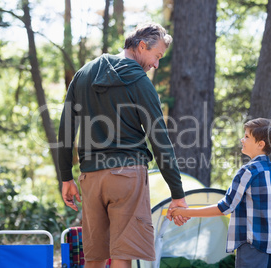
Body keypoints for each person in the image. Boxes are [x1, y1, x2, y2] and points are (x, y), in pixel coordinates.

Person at [57, 22, 188, 268]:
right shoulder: (140, 81)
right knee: (122, 255)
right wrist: (177, 194)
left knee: (94, 257)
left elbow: (65, 131)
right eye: (156, 56)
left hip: (91, 177)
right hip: (127, 176)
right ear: (141, 45)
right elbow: (159, 139)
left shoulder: (83, 74)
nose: (156, 64)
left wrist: (66, 177)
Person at [172, 118, 271, 268]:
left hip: (252, 246)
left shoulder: (248, 171)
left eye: (247, 137)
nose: (242, 139)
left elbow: (225, 207)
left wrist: (185, 212)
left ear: (260, 144)